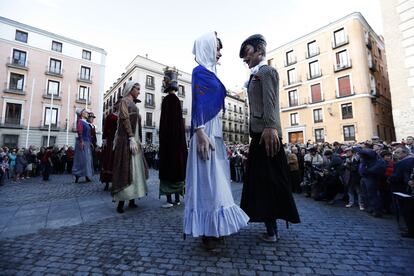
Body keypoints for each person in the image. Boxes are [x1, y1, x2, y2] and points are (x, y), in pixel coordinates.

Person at [183, 32, 249, 250]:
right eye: (217, 48)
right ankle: (208, 233)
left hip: (214, 129)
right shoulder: (199, 72)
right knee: (207, 179)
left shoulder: (210, 71)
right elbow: (198, 102)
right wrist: (200, 132)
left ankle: (214, 228)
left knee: (218, 178)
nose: (220, 53)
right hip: (205, 129)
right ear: (208, 48)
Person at [239, 34, 300, 243]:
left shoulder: (267, 72)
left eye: (247, 52)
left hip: (266, 136)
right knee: (262, 183)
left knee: (269, 183)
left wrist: (270, 127)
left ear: (259, 51)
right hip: (259, 136)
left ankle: (272, 231)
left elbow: (271, 102)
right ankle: (270, 228)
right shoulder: (256, 75)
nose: (244, 58)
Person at [111, 81, 148, 214]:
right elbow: (125, 119)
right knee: (125, 168)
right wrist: (131, 137)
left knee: (136, 170)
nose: (139, 91)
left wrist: (137, 140)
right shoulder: (124, 102)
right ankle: (121, 203)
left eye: (139, 89)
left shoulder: (133, 104)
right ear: (130, 89)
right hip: (127, 141)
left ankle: (132, 200)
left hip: (135, 141)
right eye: (137, 89)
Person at [158, 67, 187, 208]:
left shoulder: (167, 101)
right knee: (176, 169)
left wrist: (163, 138)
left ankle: (169, 200)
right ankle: (177, 199)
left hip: (168, 144)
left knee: (168, 170)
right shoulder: (176, 101)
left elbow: (164, 123)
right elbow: (179, 125)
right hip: (177, 144)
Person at [100, 98, 120, 191]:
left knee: (118, 161)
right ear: (115, 105)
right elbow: (105, 127)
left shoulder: (124, 115)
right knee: (109, 160)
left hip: (120, 140)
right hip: (111, 140)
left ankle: (118, 182)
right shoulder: (110, 116)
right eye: (118, 103)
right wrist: (104, 139)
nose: (120, 105)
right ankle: (107, 183)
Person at [72, 108, 93, 183]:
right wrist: (81, 141)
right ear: (81, 114)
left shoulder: (86, 122)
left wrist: (90, 142)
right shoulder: (80, 122)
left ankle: (87, 175)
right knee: (81, 159)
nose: (87, 113)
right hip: (82, 142)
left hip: (86, 142)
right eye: (85, 112)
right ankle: (77, 175)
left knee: (87, 159)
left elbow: (88, 134)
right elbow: (79, 132)